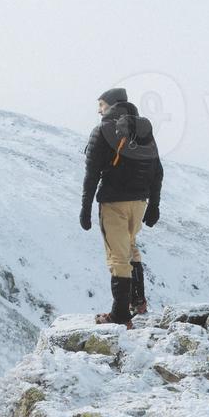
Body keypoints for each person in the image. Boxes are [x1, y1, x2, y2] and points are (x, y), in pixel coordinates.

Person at [79, 87, 164, 328]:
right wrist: (154, 205)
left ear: (112, 105)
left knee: (117, 257)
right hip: (139, 203)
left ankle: (120, 316)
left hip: (114, 203)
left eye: (101, 105)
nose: (98, 110)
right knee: (130, 246)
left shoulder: (102, 131)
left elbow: (91, 174)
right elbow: (157, 171)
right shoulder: (144, 131)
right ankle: (138, 301)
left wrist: (85, 208)